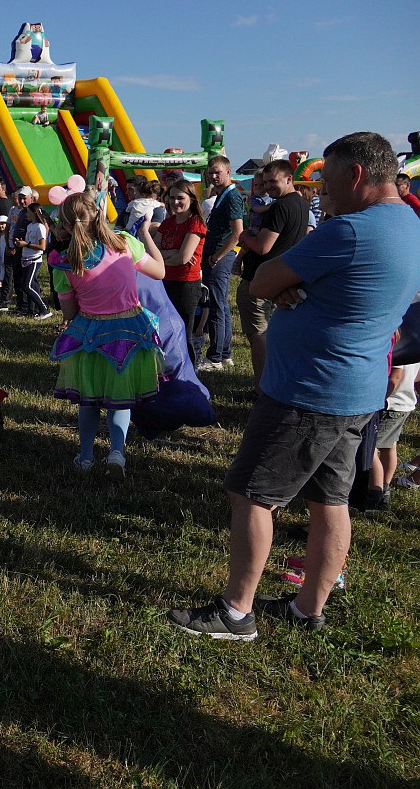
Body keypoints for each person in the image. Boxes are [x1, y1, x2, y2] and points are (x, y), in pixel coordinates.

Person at [167, 132, 420, 640]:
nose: (319, 194)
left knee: (252, 494)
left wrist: (287, 286)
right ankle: (309, 607)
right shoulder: (408, 222)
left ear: (355, 175)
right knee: (331, 501)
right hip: (357, 387)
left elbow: (260, 280)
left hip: (311, 389)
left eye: (326, 181)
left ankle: (236, 612)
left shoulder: (348, 230)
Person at [48, 193, 166, 478]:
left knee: (88, 398)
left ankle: (86, 456)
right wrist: (148, 236)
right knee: (119, 397)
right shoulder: (125, 242)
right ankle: (116, 452)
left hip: (90, 335)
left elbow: (69, 312)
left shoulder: (66, 263)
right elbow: (160, 271)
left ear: (66, 224)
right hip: (130, 331)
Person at [234, 160, 310, 389]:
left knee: (258, 336)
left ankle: (262, 387)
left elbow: (263, 246)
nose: (267, 187)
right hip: (282, 279)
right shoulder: (301, 204)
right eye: (265, 182)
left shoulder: (279, 207)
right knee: (275, 336)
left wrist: (245, 236)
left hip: (261, 280)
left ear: (289, 179)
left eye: (273, 182)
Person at [197, 156, 245, 371]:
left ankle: (215, 357)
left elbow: (237, 233)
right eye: (211, 172)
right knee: (221, 306)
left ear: (228, 172)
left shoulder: (232, 197)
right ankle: (224, 353)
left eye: (217, 172)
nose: (213, 176)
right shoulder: (222, 195)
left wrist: (216, 257)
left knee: (217, 306)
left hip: (220, 256)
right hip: (217, 255)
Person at [154, 180, 208, 362]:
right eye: (172, 198)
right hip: (165, 280)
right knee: (166, 328)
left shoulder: (195, 224)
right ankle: (170, 367)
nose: (175, 202)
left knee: (184, 331)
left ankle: (189, 372)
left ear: (191, 199)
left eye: (180, 198)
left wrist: (167, 255)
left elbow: (183, 259)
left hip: (186, 284)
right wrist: (173, 253)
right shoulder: (168, 222)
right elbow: (153, 251)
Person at [370, 357, 420, 510]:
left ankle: (375, 494)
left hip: (390, 404)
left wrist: (378, 401)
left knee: (370, 449)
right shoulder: (413, 345)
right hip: (405, 403)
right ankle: (384, 487)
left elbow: (395, 376)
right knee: (390, 446)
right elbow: (417, 376)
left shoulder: (400, 349)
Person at [17, 203, 53, 319]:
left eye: (28, 212)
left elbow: (42, 246)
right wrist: (22, 243)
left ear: (34, 213)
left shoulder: (40, 227)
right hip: (26, 257)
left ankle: (44, 309)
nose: (26, 214)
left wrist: (26, 244)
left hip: (34, 259)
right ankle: (31, 311)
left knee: (26, 286)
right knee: (31, 285)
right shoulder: (29, 226)